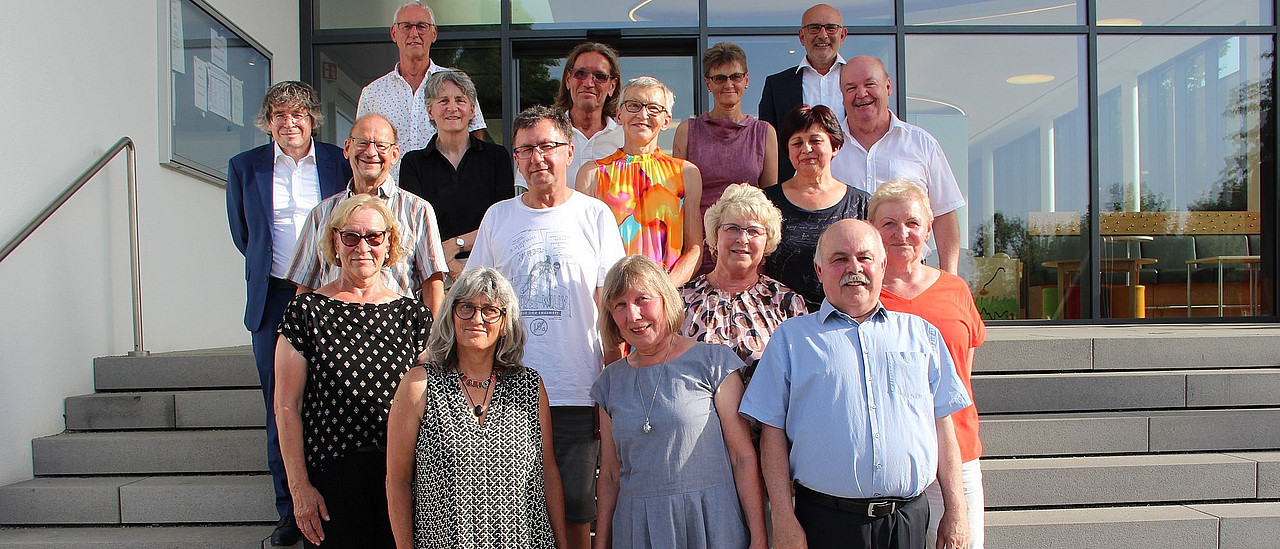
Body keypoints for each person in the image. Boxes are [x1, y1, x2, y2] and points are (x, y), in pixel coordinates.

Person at [739, 219, 972, 549]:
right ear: (819, 271)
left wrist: (956, 511)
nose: (854, 268)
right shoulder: (791, 340)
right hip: (825, 524)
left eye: (864, 258)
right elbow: (771, 434)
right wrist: (782, 516)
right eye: (839, 259)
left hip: (906, 523)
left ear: (882, 265)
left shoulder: (922, 335)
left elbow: (943, 426)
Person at [467, 105, 626, 549]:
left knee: (577, 510)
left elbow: (610, 306)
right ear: (515, 159)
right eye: (526, 149)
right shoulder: (498, 217)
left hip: (576, 388)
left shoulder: (595, 216)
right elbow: (476, 301)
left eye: (547, 146)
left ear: (569, 151)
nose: (538, 157)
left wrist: (610, 388)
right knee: (507, 510)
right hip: (506, 392)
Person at [226, 80, 352, 547]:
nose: (289, 123)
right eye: (279, 115)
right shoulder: (245, 168)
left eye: (298, 114)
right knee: (280, 406)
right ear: (268, 122)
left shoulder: (339, 163)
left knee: (334, 399)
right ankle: (288, 509)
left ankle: (335, 498)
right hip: (274, 299)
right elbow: (245, 236)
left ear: (312, 118)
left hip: (331, 294)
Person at [275, 194, 434, 548]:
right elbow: (286, 407)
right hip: (332, 480)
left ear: (389, 243)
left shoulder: (414, 316)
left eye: (374, 237)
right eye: (351, 237)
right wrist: (299, 488)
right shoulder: (306, 312)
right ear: (335, 241)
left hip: (403, 478)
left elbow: (433, 405)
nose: (363, 247)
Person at [386, 267, 568, 548]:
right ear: (451, 314)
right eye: (467, 307)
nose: (477, 318)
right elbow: (398, 480)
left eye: (490, 310)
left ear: (505, 321)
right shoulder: (418, 384)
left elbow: (548, 474)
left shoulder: (530, 385)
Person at [592, 255, 767, 549]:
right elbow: (610, 474)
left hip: (711, 522)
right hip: (639, 529)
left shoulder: (714, 363)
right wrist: (601, 543)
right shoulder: (608, 383)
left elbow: (743, 457)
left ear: (665, 300)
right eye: (620, 305)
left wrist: (759, 538)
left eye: (642, 299)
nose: (633, 315)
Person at [870, 180, 987, 549]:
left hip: (959, 455)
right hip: (893, 459)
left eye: (912, 223)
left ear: (929, 228)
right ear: (872, 229)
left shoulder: (955, 290)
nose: (901, 233)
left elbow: (963, 369)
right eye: (887, 223)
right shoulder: (860, 298)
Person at [285, 113, 449, 316]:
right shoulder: (321, 214)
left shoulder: (418, 211)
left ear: (395, 154)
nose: (371, 152)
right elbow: (305, 286)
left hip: (397, 334)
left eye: (381, 146)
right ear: (347, 148)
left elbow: (433, 285)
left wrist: (433, 343)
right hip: (333, 334)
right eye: (362, 143)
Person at [829, 55, 966, 274]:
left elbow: (944, 213)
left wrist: (949, 279)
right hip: (848, 278)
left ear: (888, 86)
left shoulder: (921, 144)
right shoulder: (828, 149)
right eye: (851, 88)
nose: (861, 93)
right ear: (842, 96)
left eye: (869, 84)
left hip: (910, 275)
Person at [578, 76, 704, 285]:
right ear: (619, 115)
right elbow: (584, 248)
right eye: (633, 105)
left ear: (666, 119)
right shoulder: (592, 174)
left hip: (666, 298)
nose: (643, 114)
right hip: (612, 299)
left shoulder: (685, 173)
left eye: (654, 108)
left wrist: (662, 292)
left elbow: (694, 250)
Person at [678, 183, 807, 382]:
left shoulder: (786, 303)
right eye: (732, 228)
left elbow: (801, 376)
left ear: (767, 241)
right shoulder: (681, 301)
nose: (742, 239)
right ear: (715, 235)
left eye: (754, 231)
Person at [673, 42, 778, 276]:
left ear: (747, 79)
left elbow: (770, 202)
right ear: (708, 83)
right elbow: (676, 201)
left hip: (746, 250)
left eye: (735, 77)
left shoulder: (764, 133)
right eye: (719, 78)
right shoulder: (687, 131)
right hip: (698, 251)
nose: (728, 84)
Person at [398, 70, 514, 279]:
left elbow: (502, 221)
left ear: (471, 110)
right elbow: (414, 227)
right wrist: (448, 263)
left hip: (489, 267)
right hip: (432, 271)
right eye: (443, 101)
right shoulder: (413, 163)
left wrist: (456, 245)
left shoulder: (496, 157)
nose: (452, 107)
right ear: (430, 111)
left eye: (460, 100)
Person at [356, 1, 486, 180]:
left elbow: (476, 139)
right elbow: (361, 146)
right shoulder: (374, 93)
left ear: (434, 33)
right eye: (406, 26)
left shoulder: (456, 85)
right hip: (390, 199)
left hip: (444, 192)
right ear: (394, 33)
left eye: (421, 26)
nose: (414, 33)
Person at [762, 104, 869, 311]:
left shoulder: (861, 204)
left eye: (816, 140)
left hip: (845, 318)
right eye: (797, 142)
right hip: (779, 319)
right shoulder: (766, 202)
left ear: (835, 146)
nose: (806, 149)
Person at [758, 4, 849, 181]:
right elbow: (766, 147)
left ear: (843, 34)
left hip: (848, 185)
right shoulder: (777, 86)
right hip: (794, 193)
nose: (823, 35)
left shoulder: (858, 81)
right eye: (814, 28)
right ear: (802, 36)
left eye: (830, 28)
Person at [550, 41, 626, 190]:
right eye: (580, 74)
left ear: (612, 86)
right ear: (567, 79)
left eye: (600, 76)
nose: (589, 83)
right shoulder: (547, 135)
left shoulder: (625, 139)